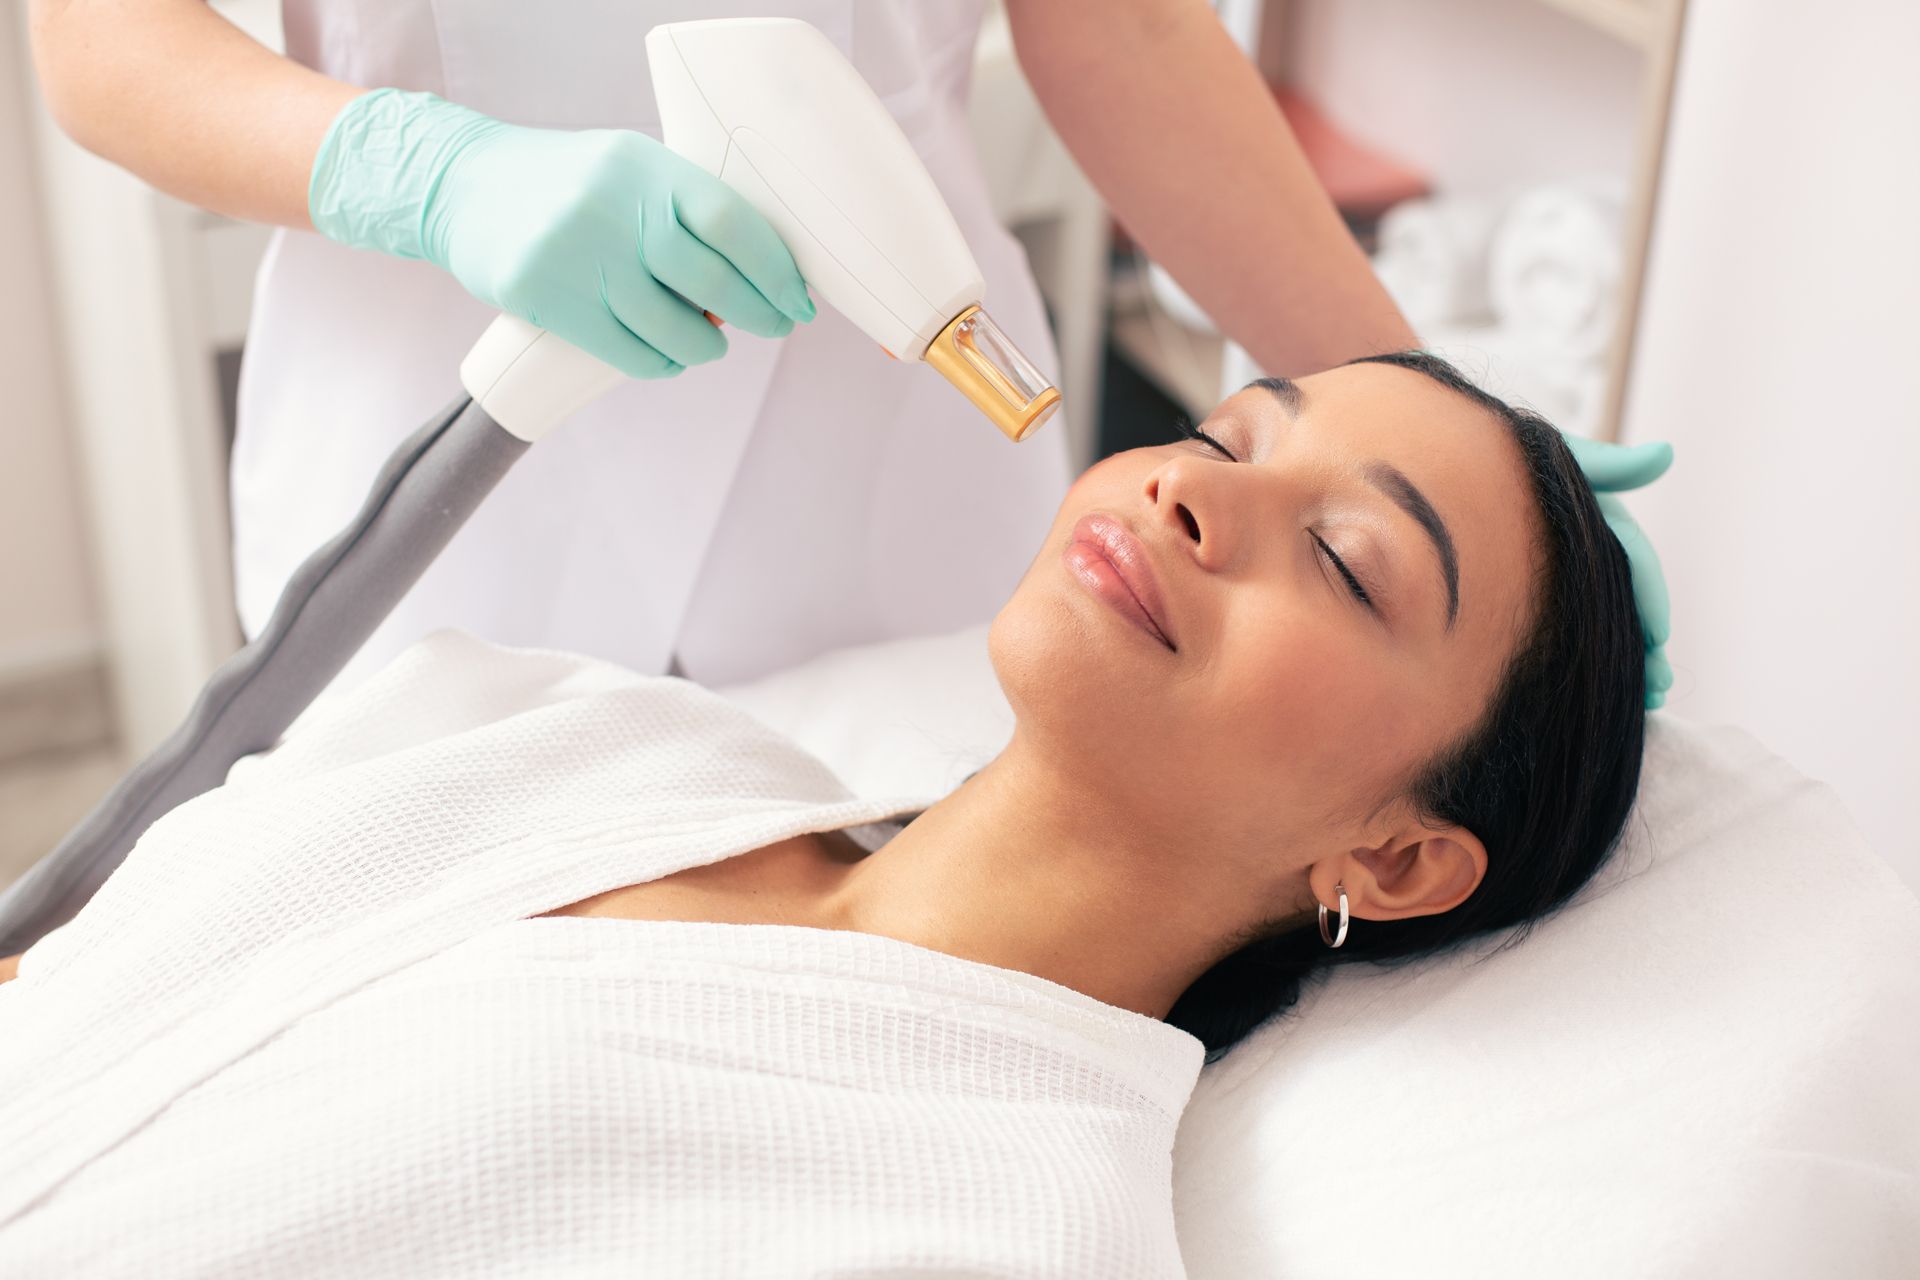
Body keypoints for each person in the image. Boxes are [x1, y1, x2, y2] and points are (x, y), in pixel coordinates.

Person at [0, 352, 1649, 1273]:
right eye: (1227, 431)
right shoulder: (565, 720)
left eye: (1350, 559)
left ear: (1394, 855)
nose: (1191, 486)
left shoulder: (1004, 1231)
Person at [27, 0, 1415, 692]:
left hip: (894, 481)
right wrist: (432, 174)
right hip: (432, 474)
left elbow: (1121, 36)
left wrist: (1409, 406)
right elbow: (100, 39)